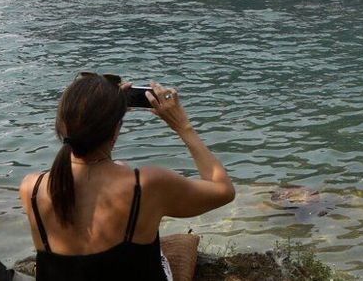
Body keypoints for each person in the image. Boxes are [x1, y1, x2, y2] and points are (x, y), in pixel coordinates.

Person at [19, 74, 235, 280]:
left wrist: (107, 112)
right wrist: (183, 127)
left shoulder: (32, 188)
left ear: (60, 126)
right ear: (116, 131)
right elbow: (223, 190)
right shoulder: (146, 186)